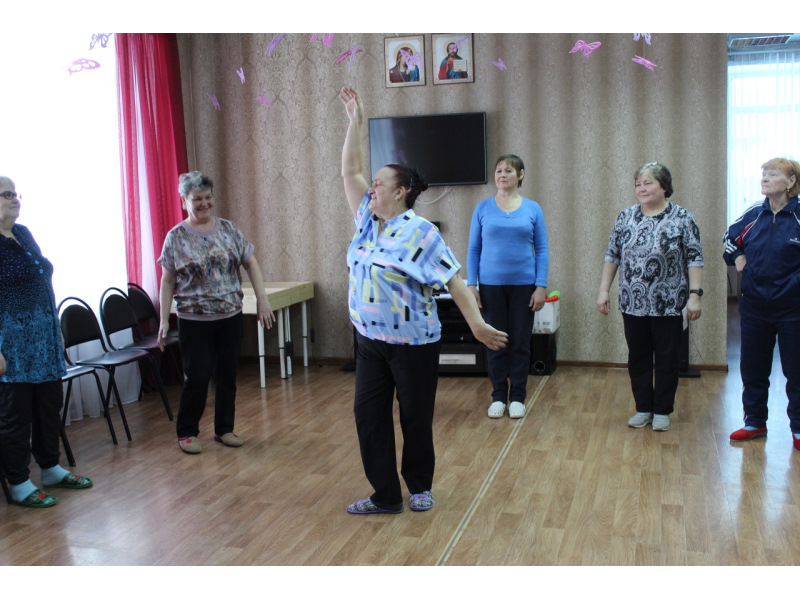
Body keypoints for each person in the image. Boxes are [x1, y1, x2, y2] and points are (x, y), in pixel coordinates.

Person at [339, 86, 508, 515]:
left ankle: (419, 485)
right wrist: (355, 122)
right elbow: (349, 172)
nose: (370, 188)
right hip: (369, 341)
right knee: (368, 418)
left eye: (379, 184)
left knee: (414, 418)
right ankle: (384, 495)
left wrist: (477, 325)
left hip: (413, 344)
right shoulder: (366, 220)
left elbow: (454, 280)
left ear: (401, 191)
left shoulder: (421, 232)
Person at [157, 171, 275, 455]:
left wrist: (262, 300)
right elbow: (167, 281)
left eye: (208, 197)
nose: (204, 203)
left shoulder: (229, 229)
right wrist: (163, 319)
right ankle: (187, 432)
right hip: (193, 320)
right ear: (184, 200)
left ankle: (224, 429)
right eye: (197, 199)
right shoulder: (176, 237)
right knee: (197, 377)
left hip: (230, 317)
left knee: (227, 375)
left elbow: (251, 263)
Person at [0, 176, 93, 508]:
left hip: (44, 340)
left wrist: (55, 328)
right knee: (16, 416)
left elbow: (41, 281)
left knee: (48, 408)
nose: (15, 198)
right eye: (6, 194)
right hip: (12, 346)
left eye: (16, 193)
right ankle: (19, 482)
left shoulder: (23, 233)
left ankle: (51, 468)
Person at [597, 162, 703, 432]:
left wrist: (695, 295)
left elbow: (694, 258)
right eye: (638, 184)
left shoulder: (682, 217)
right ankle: (643, 408)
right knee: (638, 357)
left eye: (648, 183)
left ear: (664, 186)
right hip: (632, 302)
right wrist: (603, 290)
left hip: (669, 302)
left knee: (667, 358)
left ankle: (662, 410)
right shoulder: (626, 216)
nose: (641, 189)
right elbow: (612, 255)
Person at [723, 157, 800, 451]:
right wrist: (738, 257)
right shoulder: (755, 213)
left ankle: (798, 428)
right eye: (763, 174)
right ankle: (755, 422)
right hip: (754, 306)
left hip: (793, 309)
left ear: (791, 181)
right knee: (753, 369)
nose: (764, 178)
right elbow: (729, 239)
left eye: (772, 174)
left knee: (796, 371)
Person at [467, 154, 549, 419]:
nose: (502, 175)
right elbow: (473, 249)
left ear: (521, 175)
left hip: (524, 286)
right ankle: (499, 396)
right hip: (490, 286)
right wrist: (471, 285)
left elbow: (542, 250)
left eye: (509, 171)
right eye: (499, 170)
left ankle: (517, 397)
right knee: (495, 341)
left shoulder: (533, 209)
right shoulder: (482, 209)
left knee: (520, 343)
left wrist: (540, 286)